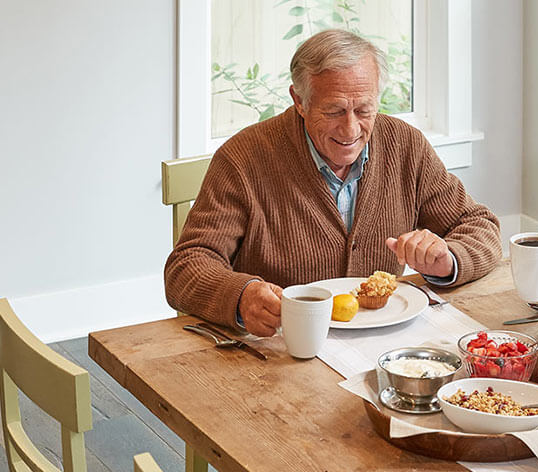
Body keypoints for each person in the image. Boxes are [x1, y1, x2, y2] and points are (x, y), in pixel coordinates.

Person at [165, 29, 501, 337]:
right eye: (334, 111)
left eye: (364, 110)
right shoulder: (243, 159)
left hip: (382, 343)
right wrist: (240, 296)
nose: (351, 129)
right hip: (280, 352)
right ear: (300, 101)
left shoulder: (405, 145)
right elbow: (187, 267)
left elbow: (479, 225)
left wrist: (448, 259)